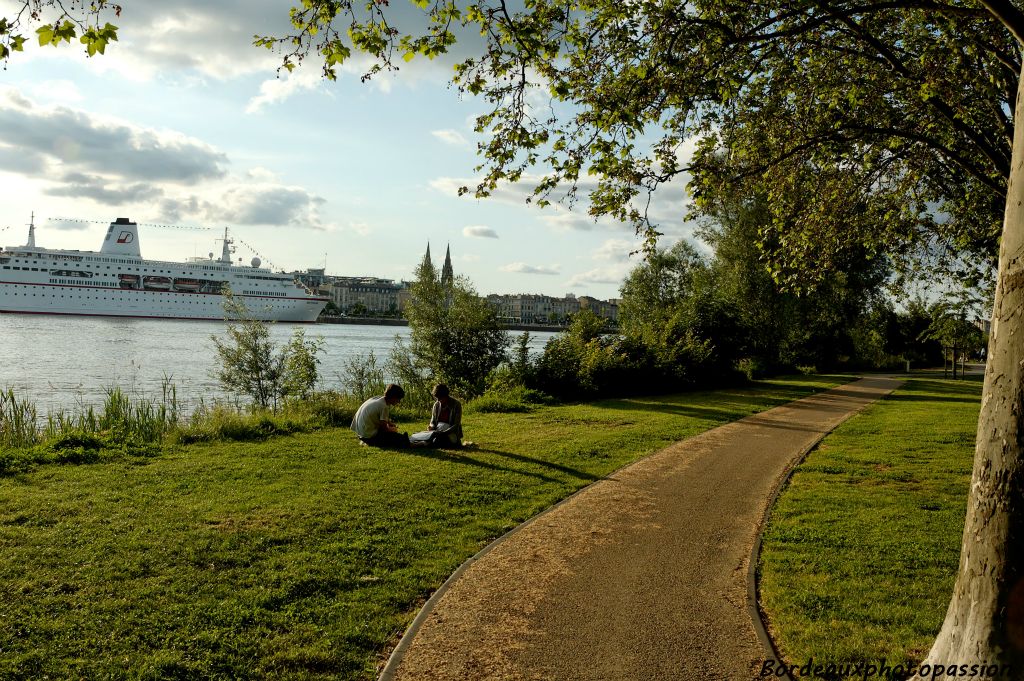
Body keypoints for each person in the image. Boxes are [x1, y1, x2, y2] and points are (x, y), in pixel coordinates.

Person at [350, 383, 410, 448]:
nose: (399, 402)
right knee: (395, 438)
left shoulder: (377, 399)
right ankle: (408, 441)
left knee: (392, 434)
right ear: (393, 397)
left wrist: (389, 423)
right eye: (398, 399)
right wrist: (393, 429)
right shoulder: (384, 407)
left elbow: (382, 418)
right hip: (369, 436)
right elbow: (385, 429)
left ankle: (366, 441)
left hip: (361, 433)